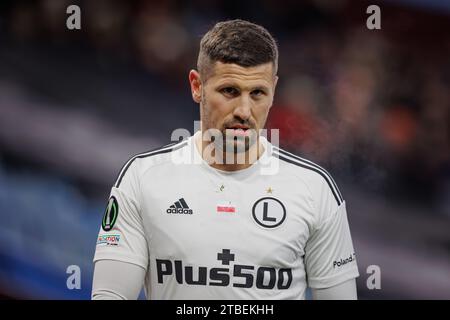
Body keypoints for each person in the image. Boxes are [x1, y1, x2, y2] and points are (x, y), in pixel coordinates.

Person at [92, 19, 359, 300]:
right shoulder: (143, 177)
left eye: (257, 93)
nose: (244, 110)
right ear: (197, 86)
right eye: (230, 91)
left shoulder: (314, 189)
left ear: (273, 91)